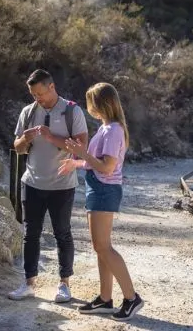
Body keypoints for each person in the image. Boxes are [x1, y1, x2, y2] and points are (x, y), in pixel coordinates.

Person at [59, 82, 144, 321]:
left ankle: (131, 298)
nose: (89, 108)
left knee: (103, 247)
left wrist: (82, 154)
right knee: (101, 248)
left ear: (101, 104)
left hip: (105, 190)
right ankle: (105, 299)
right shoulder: (107, 128)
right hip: (97, 189)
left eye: (91, 103)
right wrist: (76, 163)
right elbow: (96, 162)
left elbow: (107, 167)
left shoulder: (114, 130)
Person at [7, 69, 89, 303]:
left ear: (52, 87)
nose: (37, 99)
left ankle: (64, 284)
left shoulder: (72, 111)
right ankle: (28, 283)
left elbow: (82, 149)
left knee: (62, 233)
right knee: (30, 234)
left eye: (40, 94)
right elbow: (18, 147)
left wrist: (52, 138)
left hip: (62, 185)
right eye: (33, 95)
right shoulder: (28, 111)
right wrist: (27, 139)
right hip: (32, 182)